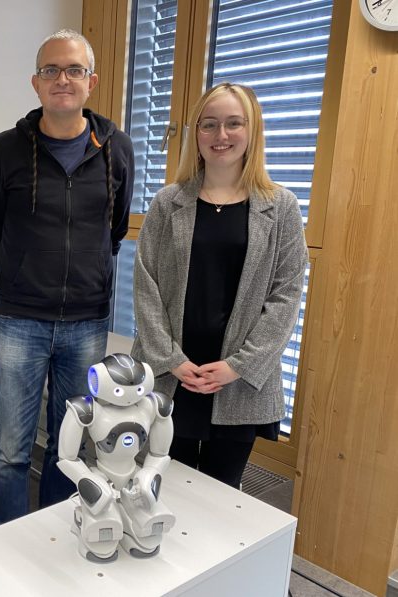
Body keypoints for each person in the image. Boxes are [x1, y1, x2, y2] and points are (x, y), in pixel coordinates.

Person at [0, 28, 133, 526]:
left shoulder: (117, 147)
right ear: (35, 82)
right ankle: (4, 543)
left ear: (91, 81)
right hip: (19, 320)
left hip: (87, 324)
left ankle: (49, 535)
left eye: (73, 70)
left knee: (70, 444)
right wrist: (22, 274)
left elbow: (115, 228)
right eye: (51, 70)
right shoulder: (4, 149)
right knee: (9, 449)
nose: (61, 79)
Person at [132, 82, 308, 488]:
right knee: (161, 486)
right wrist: (170, 358)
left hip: (237, 382)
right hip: (174, 374)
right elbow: (147, 287)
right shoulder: (168, 203)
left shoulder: (280, 207)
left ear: (252, 131)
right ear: (196, 134)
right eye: (209, 125)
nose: (221, 135)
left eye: (233, 124)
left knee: (222, 495)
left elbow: (286, 297)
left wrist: (237, 366)